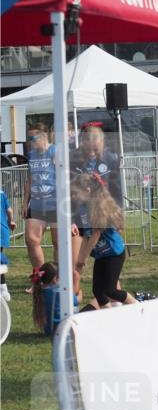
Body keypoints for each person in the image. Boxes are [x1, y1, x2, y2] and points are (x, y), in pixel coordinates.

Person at [72, 172, 137, 310]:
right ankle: (108, 315)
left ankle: (138, 307)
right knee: (98, 291)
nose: (75, 196)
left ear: (87, 190)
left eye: (77, 193)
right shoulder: (83, 209)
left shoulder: (98, 206)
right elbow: (86, 235)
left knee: (110, 290)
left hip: (114, 253)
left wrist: (84, 257)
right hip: (101, 254)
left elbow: (95, 234)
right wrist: (80, 259)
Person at [23, 124, 59, 271]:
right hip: (36, 203)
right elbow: (29, 180)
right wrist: (25, 202)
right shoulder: (31, 155)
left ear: (43, 136)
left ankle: (59, 276)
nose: (30, 141)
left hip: (55, 203)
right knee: (31, 239)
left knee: (59, 243)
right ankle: (41, 276)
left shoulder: (55, 151)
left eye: (33, 138)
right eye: (29, 138)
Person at [31, 262, 76, 335]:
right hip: (61, 330)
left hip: (48, 330)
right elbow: (76, 301)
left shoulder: (39, 291)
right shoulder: (57, 292)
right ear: (55, 279)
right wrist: (76, 283)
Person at [0, 184, 13, 302]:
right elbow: (9, 210)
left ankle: (3, 288)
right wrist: (11, 221)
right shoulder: (2, 194)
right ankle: (3, 289)